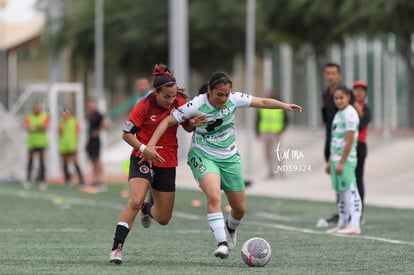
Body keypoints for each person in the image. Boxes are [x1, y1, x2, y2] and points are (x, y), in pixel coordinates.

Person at [145, 72, 302, 259]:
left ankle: (230, 228)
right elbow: (168, 121)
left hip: (230, 157)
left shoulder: (234, 99)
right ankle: (222, 243)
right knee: (213, 195)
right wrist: (150, 146)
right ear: (209, 90)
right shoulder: (196, 104)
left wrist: (284, 105)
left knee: (240, 209)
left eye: (226, 94)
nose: (223, 98)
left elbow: (262, 102)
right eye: (219, 94)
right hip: (203, 155)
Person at [109, 64, 203, 265]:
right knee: (134, 200)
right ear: (156, 92)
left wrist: (193, 124)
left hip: (167, 162)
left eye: (173, 96)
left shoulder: (180, 101)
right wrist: (144, 149)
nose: (171, 100)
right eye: (166, 96)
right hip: (142, 158)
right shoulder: (143, 105)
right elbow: (127, 134)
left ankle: (146, 208)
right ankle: (117, 248)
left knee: (163, 218)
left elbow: (186, 127)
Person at [325, 85, 362, 235]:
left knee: (351, 190)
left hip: (346, 160)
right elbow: (335, 141)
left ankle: (355, 224)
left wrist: (341, 162)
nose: (339, 100)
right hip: (336, 159)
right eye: (336, 98)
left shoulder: (350, 114)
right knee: (340, 192)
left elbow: (349, 141)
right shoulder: (338, 114)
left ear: (348, 97)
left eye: (342, 97)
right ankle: (342, 223)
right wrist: (330, 162)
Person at [255, 89, 288, 178]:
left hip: (276, 133)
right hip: (265, 132)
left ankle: (281, 172)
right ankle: (270, 172)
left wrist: (281, 130)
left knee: (277, 154)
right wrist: (257, 131)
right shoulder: (263, 106)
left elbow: (286, 120)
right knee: (267, 154)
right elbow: (258, 119)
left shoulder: (280, 106)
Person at [352, 80, 371, 222]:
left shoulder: (366, 109)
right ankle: (346, 212)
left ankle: (359, 213)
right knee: (346, 181)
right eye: (356, 89)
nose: (358, 92)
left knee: (358, 179)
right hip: (346, 146)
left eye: (361, 90)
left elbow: (358, 125)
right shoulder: (347, 108)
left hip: (359, 146)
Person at [85, 97, 111, 191]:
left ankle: (101, 180)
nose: (90, 106)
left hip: (96, 140)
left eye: (92, 104)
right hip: (90, 140)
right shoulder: (90, 115)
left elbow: (107, 123)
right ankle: (95, 179)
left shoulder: (99, 114)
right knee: (93, 160)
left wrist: (98, 130)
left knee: (97, 160)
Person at [58, 107, 86, 189]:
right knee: (65, 164)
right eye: (64, 113)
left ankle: (81, 180)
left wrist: (76, 144)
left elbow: (77, 133)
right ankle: (67, 180)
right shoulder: (61, 123)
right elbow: (60, 132)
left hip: (72, 145)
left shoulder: (74, 121)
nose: (65, 114)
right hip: (63, 146)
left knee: (75, 163)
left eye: (66, 112)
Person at [24, 102, 49, 190]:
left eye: (38, 107)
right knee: (30, 162)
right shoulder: (29, 116)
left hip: (41, 143)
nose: (36, 109)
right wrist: (38, 127)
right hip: (32, 142)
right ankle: (28, 180)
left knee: (42, 162)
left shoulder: (44, 116)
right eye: (35, 108)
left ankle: (42, 180)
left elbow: (44, 127)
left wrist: (34, 127)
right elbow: (27, 127)